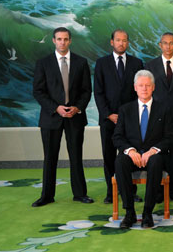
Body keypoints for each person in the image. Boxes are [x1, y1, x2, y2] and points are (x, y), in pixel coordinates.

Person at [32, 27, 93, 207]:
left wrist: (77, 108)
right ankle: (47, 196)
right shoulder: (43, 63)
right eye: (59, 39)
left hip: (75, 117)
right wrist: (55, 108)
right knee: (50, 157)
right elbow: (38, 91)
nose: (62, 42)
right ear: (53, 41)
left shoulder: (81, 62)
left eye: (65, 39)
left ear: (70, 41)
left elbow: (86, 91)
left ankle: (80, 194)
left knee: (76, 156)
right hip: (51, 117)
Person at [113, 70, 173, 228]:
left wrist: (153, 150)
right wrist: (130, 151)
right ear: (135, 87)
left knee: (156, 162)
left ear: (153, 87)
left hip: (153, 156)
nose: (144, 89)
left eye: (148, 85)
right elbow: (117, 137)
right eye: (141, 85)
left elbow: (170, 137)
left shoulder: (164, 108)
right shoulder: (125, 109)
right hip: (132, 155)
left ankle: (148, 213)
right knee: (120, 161)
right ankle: (129, 212)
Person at [94, 29, 144, 204]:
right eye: (118, 40)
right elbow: (98, 92)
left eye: (124, 40)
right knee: (109, 156)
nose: (121, 43)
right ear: (111, 42)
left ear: (127, 43)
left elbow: (140, 93)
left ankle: (131, 191)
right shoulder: (101, 63)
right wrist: (108, 114)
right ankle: (111, 192)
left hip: (130, 120)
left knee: (130, 155)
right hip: (108, 119)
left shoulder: (137, 63)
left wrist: (126, 116)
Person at [144, 32, 173, 203]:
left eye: (171, 43)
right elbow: (147, 93)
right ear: (160, 45)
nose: (168, 46)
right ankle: (157, 193)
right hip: (157, 120)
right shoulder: (150, 66)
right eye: (165, 43)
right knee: (157, 157)